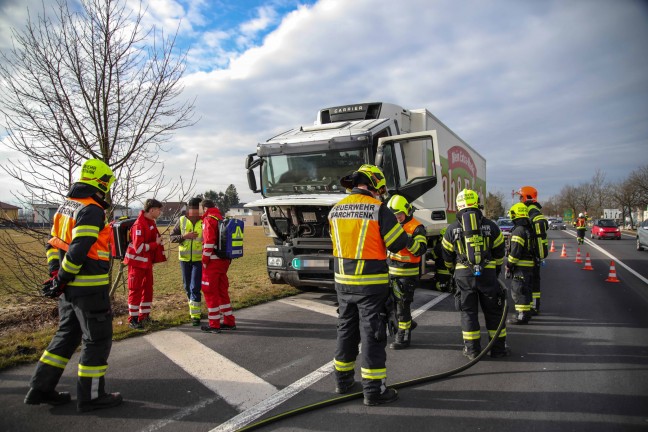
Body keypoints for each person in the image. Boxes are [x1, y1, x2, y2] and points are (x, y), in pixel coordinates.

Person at [25, 158, 123, 412]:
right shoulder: (91, 209)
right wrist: (61, 278)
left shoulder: (65, 207)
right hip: (88, 289)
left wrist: (55, 276)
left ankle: (40, 388)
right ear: (101, 183)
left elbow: (53, 243)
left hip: (68, 290)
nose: (107, 190)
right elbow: (79, 250)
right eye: (107, 185)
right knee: (97, 340)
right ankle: (91, 397)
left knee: (66, 337)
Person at [329, 164, 412, 406]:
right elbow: (397, 243)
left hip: (343, 283)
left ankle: (342, 382)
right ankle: (374, 391)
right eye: (381, 188)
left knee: (346, 331)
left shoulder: (335, 210)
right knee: (373, 335)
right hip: (371, 285)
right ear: (374, 184)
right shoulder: (379, 209)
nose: (382, 193)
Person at [441, 188, 509, 360]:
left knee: (468, 313)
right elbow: (500, 252)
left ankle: (472, 350)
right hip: (487, 274)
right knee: (493, 312)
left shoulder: (452, 228)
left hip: (463, 276)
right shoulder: (491, 226)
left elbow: (446, 256)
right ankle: (498, 349)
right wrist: (496, 269)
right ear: (477, 204)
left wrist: (453, 271)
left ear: (458, 205)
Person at [385, 194, 427, 350]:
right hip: (391, 272)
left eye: (399, 215)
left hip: (406, 275)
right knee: (390, 304)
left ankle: (403, 338)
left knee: (402, 306)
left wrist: (406, 240)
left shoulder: (417, 227)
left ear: (407, 212)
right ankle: (408, 324)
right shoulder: (393, 225)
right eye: (394, 216)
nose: (397, 218)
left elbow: (420, 250)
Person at [123, 198, 166, 329]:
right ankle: (133, 320)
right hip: (136, 264)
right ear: (151, 210)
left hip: (146, 264)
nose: (160, 213)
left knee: (147, 290)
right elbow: (139, 248)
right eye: (159, 210)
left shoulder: (150, 222)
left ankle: (144, 317)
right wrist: (155, 244)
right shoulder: (139, 225)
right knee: (135, 290)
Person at [200, 199, 236, 333]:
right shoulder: (221, 218)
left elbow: (209, 242)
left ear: (204, 208)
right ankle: (229, 321)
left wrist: (204, 260)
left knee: (210, 292)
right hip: (224, 261)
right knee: (222, 292)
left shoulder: (209, 219)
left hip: (213, 263)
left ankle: (214, 324)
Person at [170, 197, 204, 326]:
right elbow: (172, 238)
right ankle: (194, 310)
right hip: (184, 260)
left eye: (197, 209)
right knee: (187, 287)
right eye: (193, 209)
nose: (195, 212)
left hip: (198, 260)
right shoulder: (182, 220)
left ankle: (195, 316)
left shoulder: (204, 221)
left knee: (194, 287)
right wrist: (184, 236)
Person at [517, 186, 549, 315]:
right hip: (534, 252)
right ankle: (533, 306)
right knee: (532, 281)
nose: (519, 199)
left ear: (526, 197)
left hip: (532, 253)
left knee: (531, 282)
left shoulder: (532, 211)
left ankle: (533, 307)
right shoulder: (532, 209)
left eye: (521, 196)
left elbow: (540, 224)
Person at [505, 203, 536, 325]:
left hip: (520, 267)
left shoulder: (518, 231)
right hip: (529, 266)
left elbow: (515, 251)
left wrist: (509, 264)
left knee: (519, 291)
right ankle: (526, 313)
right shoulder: (529, 229)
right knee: (526, 290)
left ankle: (521, 316)